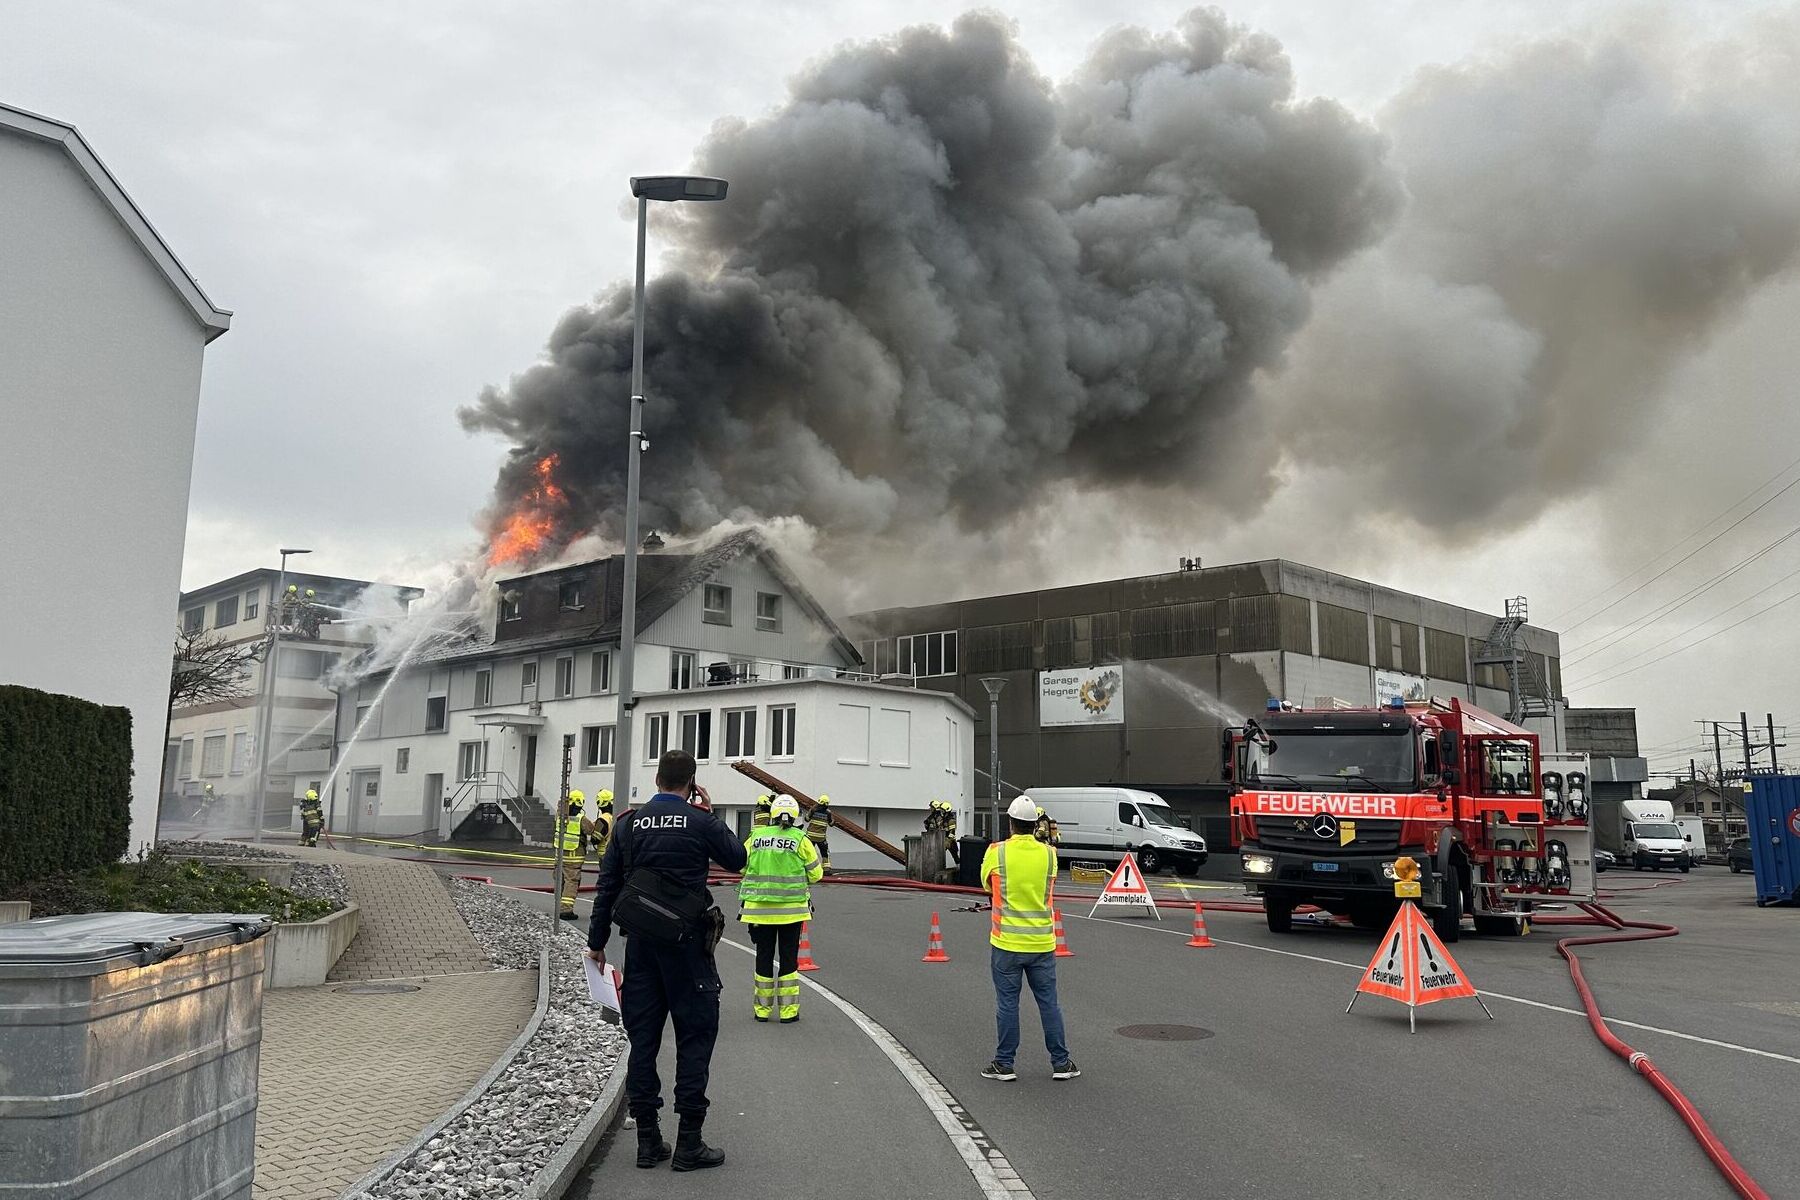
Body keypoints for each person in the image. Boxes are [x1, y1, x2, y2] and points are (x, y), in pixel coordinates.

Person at [588, 751, 747, 1172]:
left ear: (656, 779)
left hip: (640, 948)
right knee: (695, 1038)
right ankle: (689, 1144)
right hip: (689, 950)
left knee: (643, 1040)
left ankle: (647, 1141)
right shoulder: (700, 821)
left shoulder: (628, 824)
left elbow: (607, 888)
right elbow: (737, 859)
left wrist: (596, 942)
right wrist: (709, 814)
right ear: (691, 784)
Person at [980, 795, 1079, 1083]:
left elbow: (985, 883)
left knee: (1007, 1004)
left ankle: (1004, 1063)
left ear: (1010, 823)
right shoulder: (1049, 854)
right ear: (1036, 824)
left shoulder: (996, 853)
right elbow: (1050, 883)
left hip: (1006, 943)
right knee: (1049, 1003)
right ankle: (1061, 1063)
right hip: (1042, 943)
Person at [738, 794, 823, 1022]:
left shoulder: (756, 837)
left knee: (763, 959)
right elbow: (816, 874)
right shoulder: (800, 839)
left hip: (759, 914)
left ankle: (762, 1011)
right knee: (788, 960)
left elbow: (740, 867)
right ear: (794, 815)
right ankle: (788, 1012)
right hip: (791, 913)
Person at [557, 789, 588, 920]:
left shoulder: (560, 815)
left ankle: (559, 906)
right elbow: (591, 829)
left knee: (561, 882)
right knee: (571, 883)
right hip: (573, 859)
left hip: (560, 858)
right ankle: (566, 910)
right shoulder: (581, 819)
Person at [805, 793, 832, 873]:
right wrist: (833, 821)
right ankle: (826, 870)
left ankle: (807, 870)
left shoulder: (813, 809)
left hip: (810, 836)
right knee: (824, 853)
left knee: (808, 853)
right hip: (821, 838)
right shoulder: (828, 813)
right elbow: (831, 823)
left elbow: (807, 819)